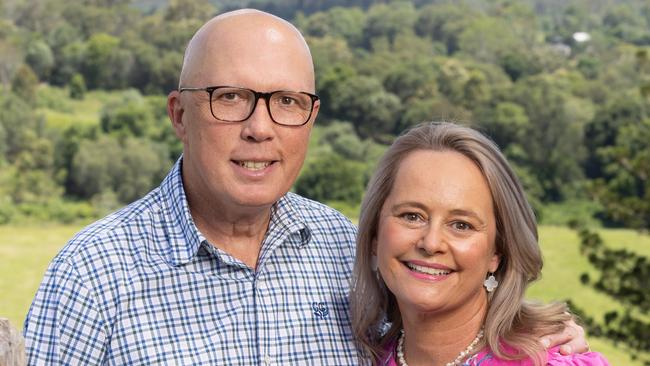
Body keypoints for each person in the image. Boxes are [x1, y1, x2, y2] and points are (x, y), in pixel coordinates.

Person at [24, 9, 589, 365]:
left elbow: (445, 310)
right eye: (230, 97)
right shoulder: (91, 277)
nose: (260, 128)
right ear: (179, 113)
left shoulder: (347, 249)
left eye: (287, 102)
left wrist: (538, 334)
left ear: (310, 117)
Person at [350, 122, 609, 366]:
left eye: (461, 225)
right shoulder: (358, 356)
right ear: (374, 234)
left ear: (497, 252)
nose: (431, 243)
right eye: (412, 216)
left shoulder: (550, 360)